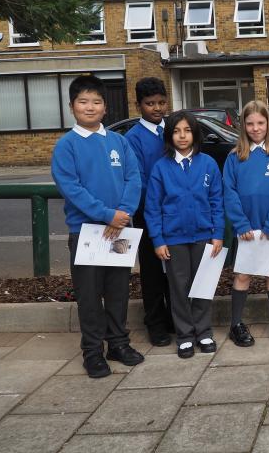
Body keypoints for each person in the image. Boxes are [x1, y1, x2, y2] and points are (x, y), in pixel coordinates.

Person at [51, 75, 144, 378]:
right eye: (83, 101)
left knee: (118, 291)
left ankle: (118, 343)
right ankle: (93, 352)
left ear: (105, 107)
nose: (90, 107)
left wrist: (124, 212)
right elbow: (71, 188)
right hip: (87, 233)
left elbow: (134, 178)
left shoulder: (119, 142)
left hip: (121, 229)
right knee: (90, 297)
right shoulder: (67, 146)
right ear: (72, 106)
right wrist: (107, 214)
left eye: (96, 102)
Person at [144, 110, 224, 358]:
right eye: (176, 131)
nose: (182, 136)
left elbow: (217, 202)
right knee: (179, 287)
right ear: (169, 135)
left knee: (202, 286)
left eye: (187, 130)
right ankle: (185, 335)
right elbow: (153, 207)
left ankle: (204, 331)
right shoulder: (161, 167)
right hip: (174, 239)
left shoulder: (208, 164)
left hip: (203, 237)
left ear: (195, 134)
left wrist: (218, 234)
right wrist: (158, 240)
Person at [223, 100, 269, 347]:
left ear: (268, 123)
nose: (255, 128)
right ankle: (236, 325)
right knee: (242, 275)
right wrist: (241, 224)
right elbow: (229, 192)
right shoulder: (234, 157)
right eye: (250, 123)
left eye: (260, 123)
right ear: (243, 126)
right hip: (245, 231)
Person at [124, 77, 174, 347]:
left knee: (173, 270)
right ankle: (154, 322)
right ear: (139, 105)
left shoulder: (173, 130)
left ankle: (171, 317)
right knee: (153, 271)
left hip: (176, 215)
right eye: (150, 104)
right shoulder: (133, 138)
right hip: (148, 215)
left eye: (161, 102)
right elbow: (137, 180)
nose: (156, 108)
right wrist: (156, 209)